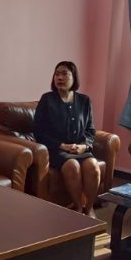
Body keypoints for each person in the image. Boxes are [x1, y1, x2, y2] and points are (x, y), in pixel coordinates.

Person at [34, 60, 100, 216]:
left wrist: (84, 146)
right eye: (57, 74)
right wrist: (61, 145)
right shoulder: (47, 99)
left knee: (93, 167)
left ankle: (89, 208)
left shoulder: (84, 101)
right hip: (57, 150)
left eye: (64, 74)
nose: (59, 77)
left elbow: (90, 130)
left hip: (80, 149)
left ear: (74, 77)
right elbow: (39, 131)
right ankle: (78, 208)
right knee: (72, 166)